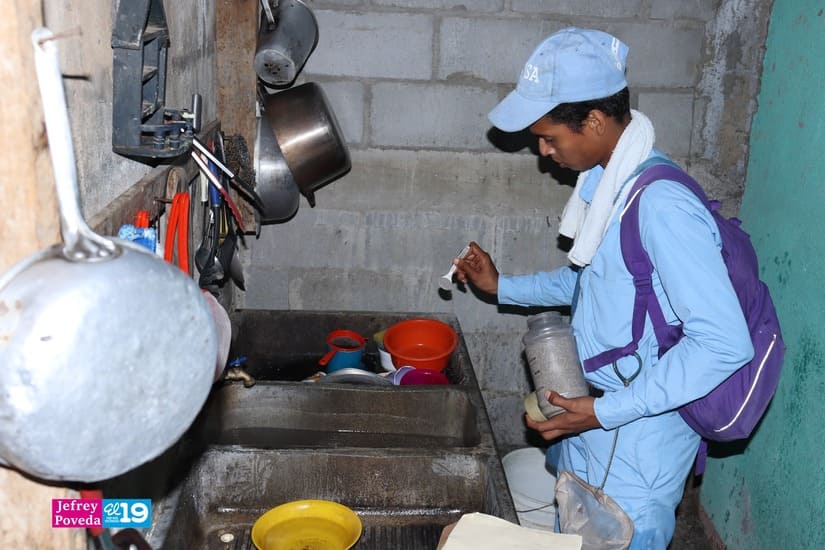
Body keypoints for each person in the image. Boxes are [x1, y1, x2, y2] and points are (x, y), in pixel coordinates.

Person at [453, 28, 753, 549]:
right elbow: (594, 280)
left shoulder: (661, 206)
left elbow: (724, 343)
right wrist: (501, 286)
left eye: (550, 138)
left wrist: (600, 413)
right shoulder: (612, 185)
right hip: (598, 420)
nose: (543, 151)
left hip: (638, 443)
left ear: (593, 121)